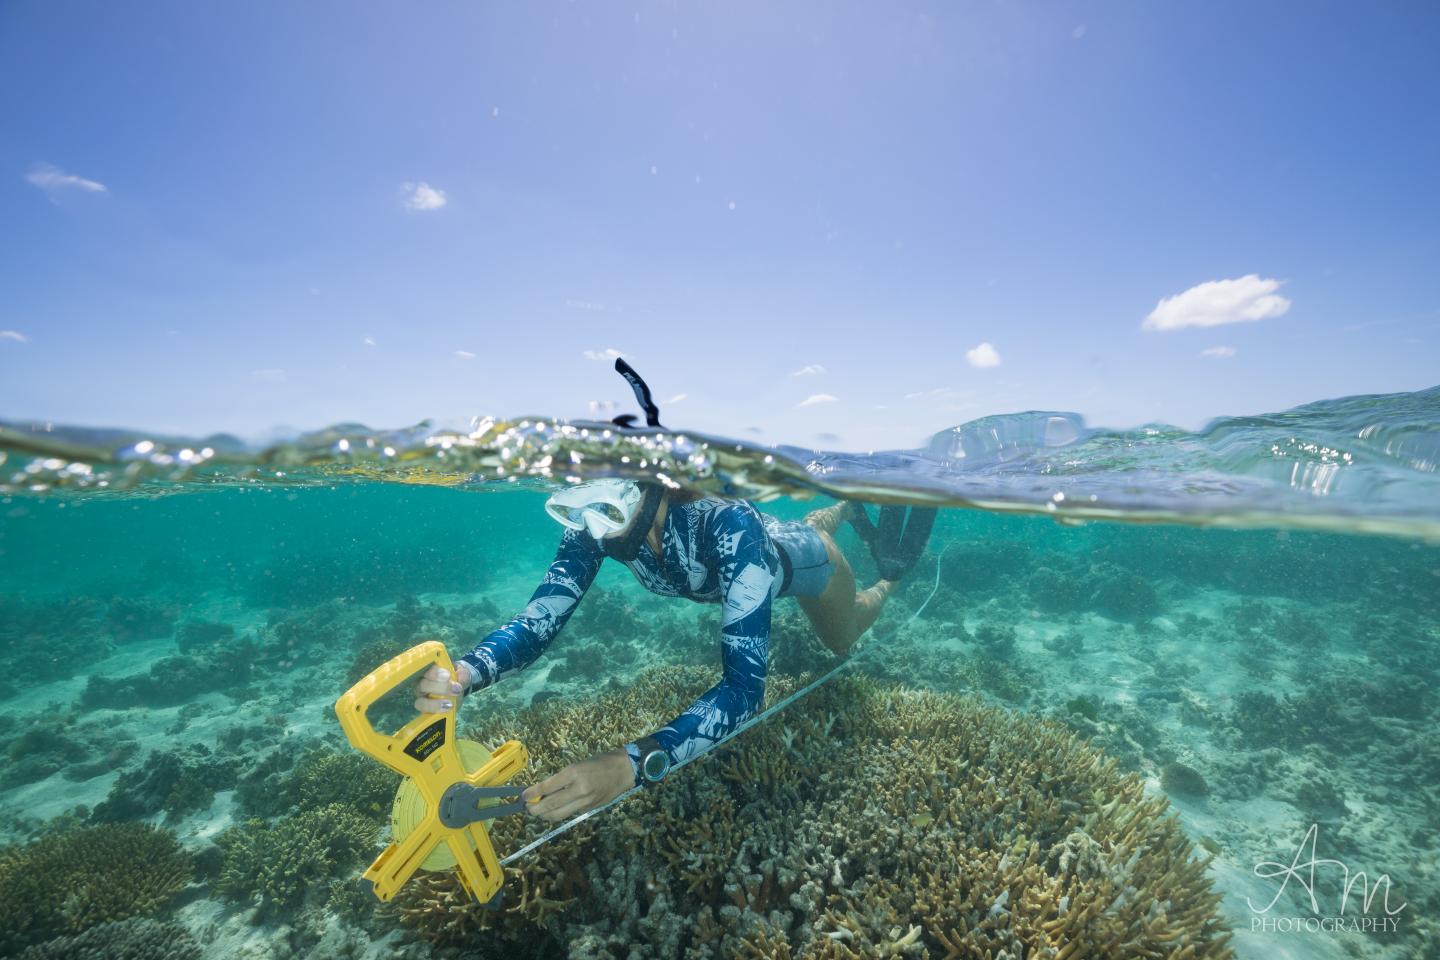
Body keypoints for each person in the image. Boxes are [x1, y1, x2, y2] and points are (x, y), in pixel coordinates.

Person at [413, 479, 936, 823]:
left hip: (811, 567)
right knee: (795, 532)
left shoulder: (727, 523)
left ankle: (888, 576)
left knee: (843, 638)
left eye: (602, 506)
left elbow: (743, 691)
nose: (591, 525)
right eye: (574, 504)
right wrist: (467, 672)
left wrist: (629, 764)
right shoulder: (598, 518)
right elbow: (540, 619)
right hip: (770, 539)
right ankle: (837, 509)